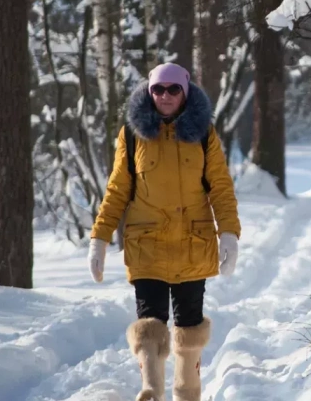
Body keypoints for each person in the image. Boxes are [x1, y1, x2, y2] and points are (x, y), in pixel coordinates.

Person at [87, 62, 241, 401]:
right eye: (158, 89)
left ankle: (188, 393)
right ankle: (151, 391)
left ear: (185, 91)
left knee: (189, 325)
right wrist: (99, 238)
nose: (165, 95)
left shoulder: (204, 133)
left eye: (173, 89)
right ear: (149, 91)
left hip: (193, 241)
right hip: (147, 243)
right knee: (150, 322)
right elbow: (117, 189)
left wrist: (228, 232)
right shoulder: (133, 134)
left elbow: (220, 186)